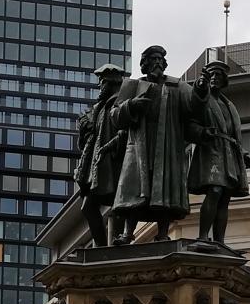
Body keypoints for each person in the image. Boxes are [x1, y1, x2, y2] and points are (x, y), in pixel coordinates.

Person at [110, 45, 204, 243]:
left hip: (166, 145)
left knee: (164, 191)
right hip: (139, 146)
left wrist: (201, 89)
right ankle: (127, 233)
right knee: (134, 191)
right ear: (145, 64)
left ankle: (162, 234)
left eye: (160, 59)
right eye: (153, 59)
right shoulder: (133, 86)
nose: (158, 63)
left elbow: (194, 107)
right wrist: (131, 105)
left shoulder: (177, 86)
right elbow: (115, 116)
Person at [187, 59, 250, 244]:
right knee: (215, 190)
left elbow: (234, 135)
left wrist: (244, 154)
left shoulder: (229, 105)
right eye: (211, 75)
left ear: (224, 79)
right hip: (211, 149)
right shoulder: (203, 99)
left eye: (218, 75)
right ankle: (203, 235)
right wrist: (203, 133)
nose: (214, 78)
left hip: (229, 153)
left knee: (225, 196)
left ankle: (220, 240)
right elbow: (191, 122)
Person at [74, 63, 128, 247]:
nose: (100, 86)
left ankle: (115, 244)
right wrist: (85, 129)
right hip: (100, 165)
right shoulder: (100, 108)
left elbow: (126, 133)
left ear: (111, 82)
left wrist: (108, 147)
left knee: (118, 203)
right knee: (89, 206)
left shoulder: (119, 103)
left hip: (116, 162)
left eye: (102, 82)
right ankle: (102, 247)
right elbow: (88, 141)